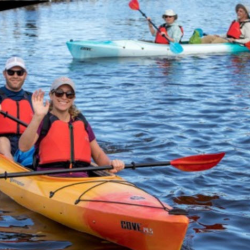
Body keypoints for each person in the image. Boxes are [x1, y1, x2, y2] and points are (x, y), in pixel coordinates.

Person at [18, 76, 125, 176]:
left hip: (81, 180)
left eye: (69, 94)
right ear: (51, 95)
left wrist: (111, 165)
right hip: (49, 179)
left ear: (73, 98)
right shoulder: (43, 120)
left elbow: (97, 155)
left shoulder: (81, 122)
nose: (64, 97)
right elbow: (23, 147)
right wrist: (37, 116)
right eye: (59, 93)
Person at [0, 56, 33, 162]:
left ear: (25, 75)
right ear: (4, 73)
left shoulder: (32, 99)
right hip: (3, 148)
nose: (15, 76)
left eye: (19, 73)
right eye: (11, 72)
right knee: (3, 140)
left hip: (26, 146)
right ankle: (11, 166)